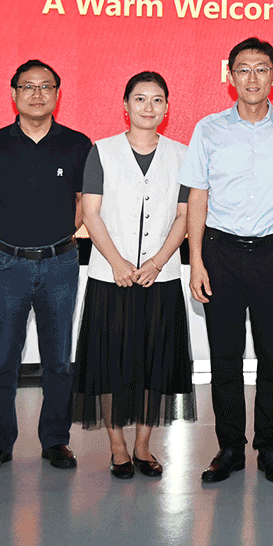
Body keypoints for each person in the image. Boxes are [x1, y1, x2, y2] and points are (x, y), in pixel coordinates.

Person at [182, 37, 273, 484]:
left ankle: (271, 448)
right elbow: (197, 196)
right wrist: (196, 260)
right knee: (225, 356)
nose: (252, 77)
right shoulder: (208, 129)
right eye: (243, 69)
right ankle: (229, 448)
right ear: (230, 76)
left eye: (262, 69)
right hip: (220, 251)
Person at [0, 59, 93, 474]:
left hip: (61, 264)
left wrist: (62, 235)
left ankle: (56, 440)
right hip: (7, 264)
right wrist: (6, 237)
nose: (37, 94)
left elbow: (84, 201)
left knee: (58, 359)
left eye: (45, 87)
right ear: (14, 94)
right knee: (2, 357)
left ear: (57, 93)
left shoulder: (77, 144)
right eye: (28, 86)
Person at [71, 71, 193, 480]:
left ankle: (142, 445)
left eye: (157, 100)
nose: (148, 107)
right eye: (140, 99)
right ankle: (117, 446)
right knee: (109, 365)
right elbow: (91, 213)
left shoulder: (182, 155)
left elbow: (184, 215)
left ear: (167, 107)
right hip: (111, 277)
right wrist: (118, 262)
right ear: (125, 106)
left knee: (153, 365)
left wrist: (156, 262)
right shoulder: (101, 151)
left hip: (161, 277)